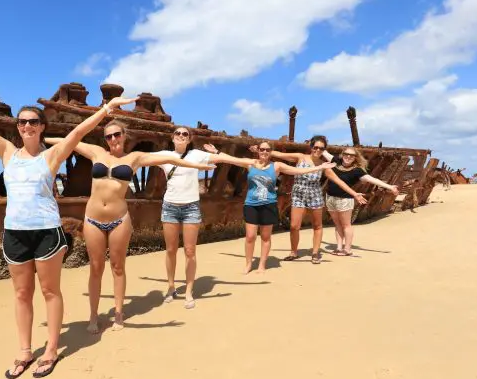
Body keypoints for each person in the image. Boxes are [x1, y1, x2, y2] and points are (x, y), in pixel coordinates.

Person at [0, 71, 134, 379]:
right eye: (22, 122)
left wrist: (106, 110)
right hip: (16, 233)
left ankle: (50, 349)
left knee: (50, 290)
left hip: (47, 232)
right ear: (18, 127)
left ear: (41, 128)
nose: (26, 126)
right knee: (22, 293)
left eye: (33, 122)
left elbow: (77, 132)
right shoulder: (7, 153)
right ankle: (24, 350)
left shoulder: (51, 157)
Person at [45, 122, 215, 332]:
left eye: (117, 135)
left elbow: (169, 158)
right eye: (109, 137)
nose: (113, 139)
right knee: (96, 268)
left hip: (119, 219)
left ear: (124, 136)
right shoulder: (97, 152)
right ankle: (93, 316)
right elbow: (68, 142)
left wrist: (199, 167)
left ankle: (118, 313)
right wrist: (42, 139)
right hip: (92, 218)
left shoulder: (134, 158)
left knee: (118, 267)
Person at [152, 127, 282, 307]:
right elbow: (139, 159)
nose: (181, 136)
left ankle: (189, 292)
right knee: (171, 250)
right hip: (170, 207)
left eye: (185, 134)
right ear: (172, 137)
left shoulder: (197, 154)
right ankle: (171, 287)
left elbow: (223, 159)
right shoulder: (164, 155)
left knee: (190, 251)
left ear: (189, 139)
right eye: (177, 133)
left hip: (191, 206)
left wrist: (248, 161)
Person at [254, 135, 366, 264]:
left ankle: (315, 253)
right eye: (315, 147)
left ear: (324, 150)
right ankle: (293, 252)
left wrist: (354, 194)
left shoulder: (324, 165)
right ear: (311, 147)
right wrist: (259, 150)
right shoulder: (300, 157)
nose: (317, 150)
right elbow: (279, 154)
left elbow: (338, 181)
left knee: (317, 225)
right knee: (294, 226)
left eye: (321, 148)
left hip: (315, 195)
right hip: (298, 194)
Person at [240, 141, 336, 273]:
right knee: (251, 236)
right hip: (251, 204)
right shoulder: (250, 163)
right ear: (258, 151)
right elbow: (230, 159)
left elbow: (297, 170)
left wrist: (319, 168)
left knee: (266, 237)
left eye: (268, 150)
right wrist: (216, 153)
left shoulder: (276, 166)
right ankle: (249, 264)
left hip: (269, 204)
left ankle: (262, 265)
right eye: (262, 149)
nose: (264, 152)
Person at [325, 147, 399, 256]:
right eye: (346, 154)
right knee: (337, 224)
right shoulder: (336, 161)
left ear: (355, 158)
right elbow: (324, 152)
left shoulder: (357, 170)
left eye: (351, 155)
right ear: (342, 154)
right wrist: (313, 144)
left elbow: (372, 179)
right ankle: (339, 248)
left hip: (345, 200)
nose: (348, 156)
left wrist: (390, 187)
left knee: (346, 225)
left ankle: (347, 249)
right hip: (330, 198)